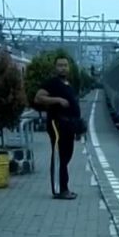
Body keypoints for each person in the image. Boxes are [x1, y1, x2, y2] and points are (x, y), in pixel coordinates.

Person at [34, 56, 82, 200]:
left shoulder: (67, 84)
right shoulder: (52, 83)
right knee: (60, 156)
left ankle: (64, 187)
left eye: (65, 65)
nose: (63, 68)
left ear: (69, 67)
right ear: (55, 68)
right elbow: (38, 98)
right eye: (60, 65)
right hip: (57, 124)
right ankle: (60, 189)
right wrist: (58, 100)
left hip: (69, 125)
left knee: (67, 155)